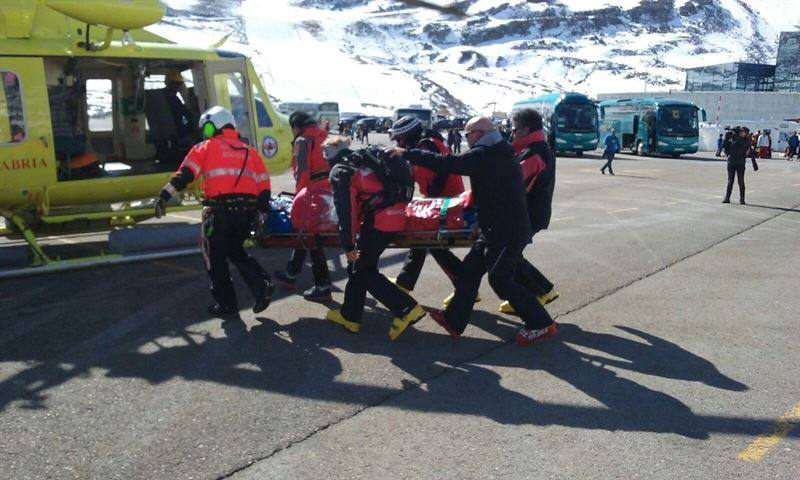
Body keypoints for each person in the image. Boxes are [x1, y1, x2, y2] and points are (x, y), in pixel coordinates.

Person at [387, 117, 556, 346]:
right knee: (469, 272)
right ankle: (454, 321)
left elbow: (447, 163)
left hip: (507, 230)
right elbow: (491, 190)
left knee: (501, 279)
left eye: (466, 136)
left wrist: (405, 153)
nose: (466, 141)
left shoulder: (485, 154)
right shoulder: (500, 150)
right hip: (492, 226)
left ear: (477, 134)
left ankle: (540, 323)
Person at [155, 106, 274, 320]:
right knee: (235, 250)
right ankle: (261, 284)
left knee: (215, 258)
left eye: (206, 128)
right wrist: (262, 212)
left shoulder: (205, 148)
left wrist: (165, 195)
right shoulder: (250, 151)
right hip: (245, 214)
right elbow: (264, 185)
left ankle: (227, 306)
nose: (205, 132)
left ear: (213, 126)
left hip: (219, 213)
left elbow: (186, 174)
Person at [324, 137, 426, 340]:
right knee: (359, 268)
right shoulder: (366, 161)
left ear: (331, 155)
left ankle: (407, 308)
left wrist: (348, 243)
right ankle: (350, 316)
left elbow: (347, 210)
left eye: (325, 154)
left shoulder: (343, 170)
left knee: (363, 270)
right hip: (397, 217)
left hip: (378, 221)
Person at [388, 116, 465, 297]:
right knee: (423, 241)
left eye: (400, 139)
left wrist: (428, 200)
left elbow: (427, 176)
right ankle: (404, 283)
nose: (399, 143)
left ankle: (465, 284)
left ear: (408, 135)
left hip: (445, 202)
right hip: (445, 199)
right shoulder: (431, 142)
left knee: (428, 241)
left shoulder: (425, 147)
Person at [498, 108, 560, 316]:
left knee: (506, 259)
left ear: (525, 130)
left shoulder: (535, 152)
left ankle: (540, 293)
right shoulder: (532, 148)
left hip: (529, 215)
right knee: (511, 257)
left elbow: (514, 185)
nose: (511, 134)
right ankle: (541, 291)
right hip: (529, 214)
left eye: (514, 130)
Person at [274, 111, 333, 301]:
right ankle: (291, 273)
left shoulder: (303, 141)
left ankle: (323, 285)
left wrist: (299, 198)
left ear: (296, 126)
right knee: (305, 232)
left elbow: (302, 172)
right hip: (330, 192)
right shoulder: (324, 137)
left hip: (313, 192)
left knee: (312, 237)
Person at [723, 127, 749, 205]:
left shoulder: (742, 140)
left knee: (737, 181)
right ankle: (730, 198)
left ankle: (738, 198)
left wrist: (731, 138)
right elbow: (725, 148)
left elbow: (744, 146)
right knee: (733, 181)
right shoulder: (735, 139)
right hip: (735, 162)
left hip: (736, 162)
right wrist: (726, 139)